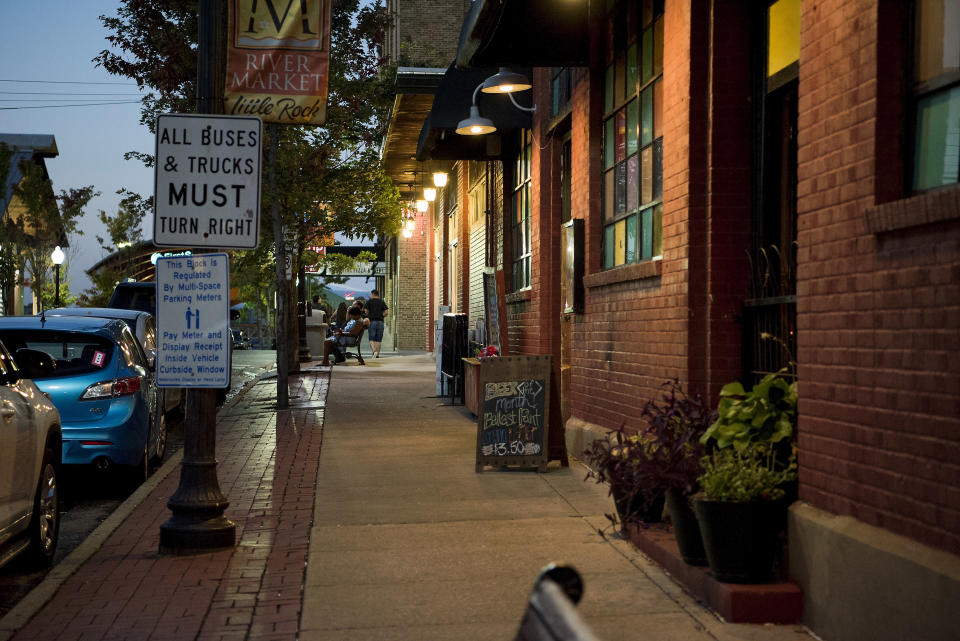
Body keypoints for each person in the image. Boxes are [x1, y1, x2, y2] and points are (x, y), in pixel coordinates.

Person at [364, 289, 388, 358]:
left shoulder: (369, 302)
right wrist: (381, 315)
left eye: (371, 294)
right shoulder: (382, 302)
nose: (370, 296)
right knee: (379, 339)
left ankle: (374, 351)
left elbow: (366, 312)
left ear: (373, 294)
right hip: (380, 322)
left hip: (372, 322)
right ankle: (377, 355)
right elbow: (386, 312)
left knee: (371, 338)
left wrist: (370, 315)